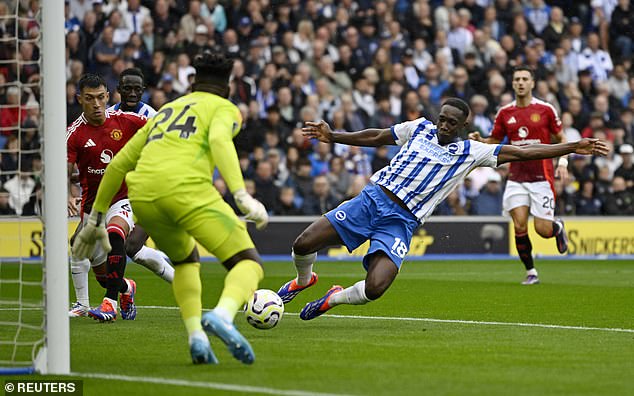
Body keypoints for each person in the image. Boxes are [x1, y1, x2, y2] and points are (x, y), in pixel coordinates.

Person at [276, 98, 607, 320]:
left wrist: (572, 147)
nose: (443, 125)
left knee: (375, 288)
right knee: (303, 244)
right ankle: (304, 280)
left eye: (451, 123)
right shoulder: (418, 128)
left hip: (401, 221)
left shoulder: (472, 151)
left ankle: (332, 298)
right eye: (442, 119)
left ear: (462, 126)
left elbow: (523, 153)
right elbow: (378, 136)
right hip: (371, 200)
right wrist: (333, 136)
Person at [72, 51, 269, 365]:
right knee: (249, 262)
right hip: (186, 190)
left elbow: (120, 163)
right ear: (227, 86)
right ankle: (222, 316)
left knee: (186, 262)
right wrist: (241, 195)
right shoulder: (224, 107)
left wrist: (95, 217)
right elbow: (220, 140)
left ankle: (197, 338)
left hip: (144, 196)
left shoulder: (166, 110)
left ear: (193, 84)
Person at [69, 68, 175, 318]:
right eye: (127, 88)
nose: (132, 93)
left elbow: (166, 142)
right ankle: (122, 289)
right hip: (95, 202)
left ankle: (111, 304)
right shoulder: (92, 124)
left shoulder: (146, 117)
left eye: (137, 88)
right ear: (117, 90)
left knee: (125, 241)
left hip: (140, 193)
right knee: (99, 261)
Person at [468, 65, 569, 285]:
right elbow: (494, 140)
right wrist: (480, 140)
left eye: (525, 79)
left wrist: (563, 161)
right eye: (517, 79)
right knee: (520, 225)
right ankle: (531, 271)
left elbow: (562, 138)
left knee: (542, 230)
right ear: (512, 84)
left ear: (532, 83)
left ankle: (557, 227)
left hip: (542, 177)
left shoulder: (546, 109)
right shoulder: (505, 112)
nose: (521, 83)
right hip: (516, 178)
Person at [66, 73, 147, 322]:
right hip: (92, 206)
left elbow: (161, 131)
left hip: (123, 197)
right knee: (97, 269)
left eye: (101, 97)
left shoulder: (128, 121)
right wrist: (68, 194)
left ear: (108, 97)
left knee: (116, 232)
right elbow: (64, 171)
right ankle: (124, 288)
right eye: (90, 98)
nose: (97, 104)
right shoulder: (74, 134)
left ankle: (108, 304)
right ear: (80, 99)